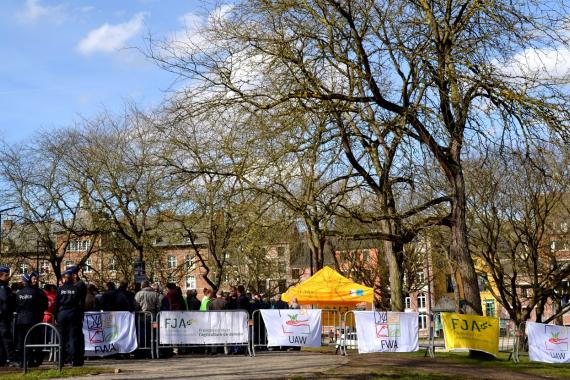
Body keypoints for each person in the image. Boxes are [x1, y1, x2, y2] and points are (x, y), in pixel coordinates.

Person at [15, 272, 48, 368]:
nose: (35, 280)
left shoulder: (19, 293)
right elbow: (44, 305)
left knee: (22, 341)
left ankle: (23, 361)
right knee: (31, 341)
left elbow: (16, 307)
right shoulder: (37, 292)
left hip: (20, 320)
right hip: (33, 319)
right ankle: (31, 360)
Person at [55, 267, 83, 367]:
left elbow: (56, 304)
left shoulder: (59, 289)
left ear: (64, 278)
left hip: (62, 314)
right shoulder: (76, 289)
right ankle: (73, 360)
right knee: (73, 338)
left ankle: (60, 360)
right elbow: (80, 304)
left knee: (61, 338)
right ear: (72, 278)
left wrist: (56, 316)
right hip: (73, 314)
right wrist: (80, 316)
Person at [0, 266, 16, 367]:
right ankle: (11, 359)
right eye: (6, 275)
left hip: (3, 317)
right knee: (7, 339)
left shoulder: (5, 287)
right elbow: (5, 300)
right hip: (3, 318)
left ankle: (2, 360)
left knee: (2, 340)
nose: (8, 277)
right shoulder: (2, 287)